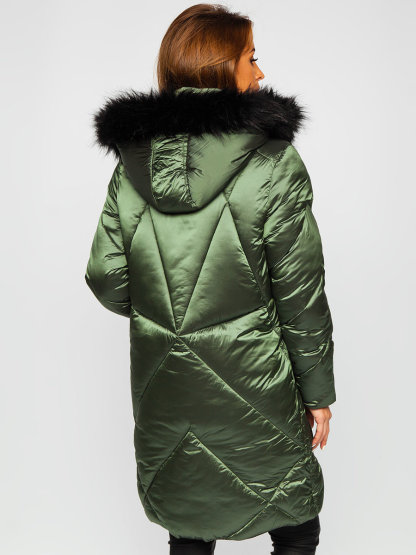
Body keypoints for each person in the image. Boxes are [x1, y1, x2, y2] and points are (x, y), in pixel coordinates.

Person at [85, 4, 335, 554]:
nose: (260, 73)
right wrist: (318, 394)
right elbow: (301, 294)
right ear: (220, 67)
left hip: (167, 385)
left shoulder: (132, 164)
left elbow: (106, 277)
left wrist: (164, 315)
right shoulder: (273, 162)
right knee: (294, 523)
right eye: (251, 58)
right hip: (258, 382)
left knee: (189, 521)